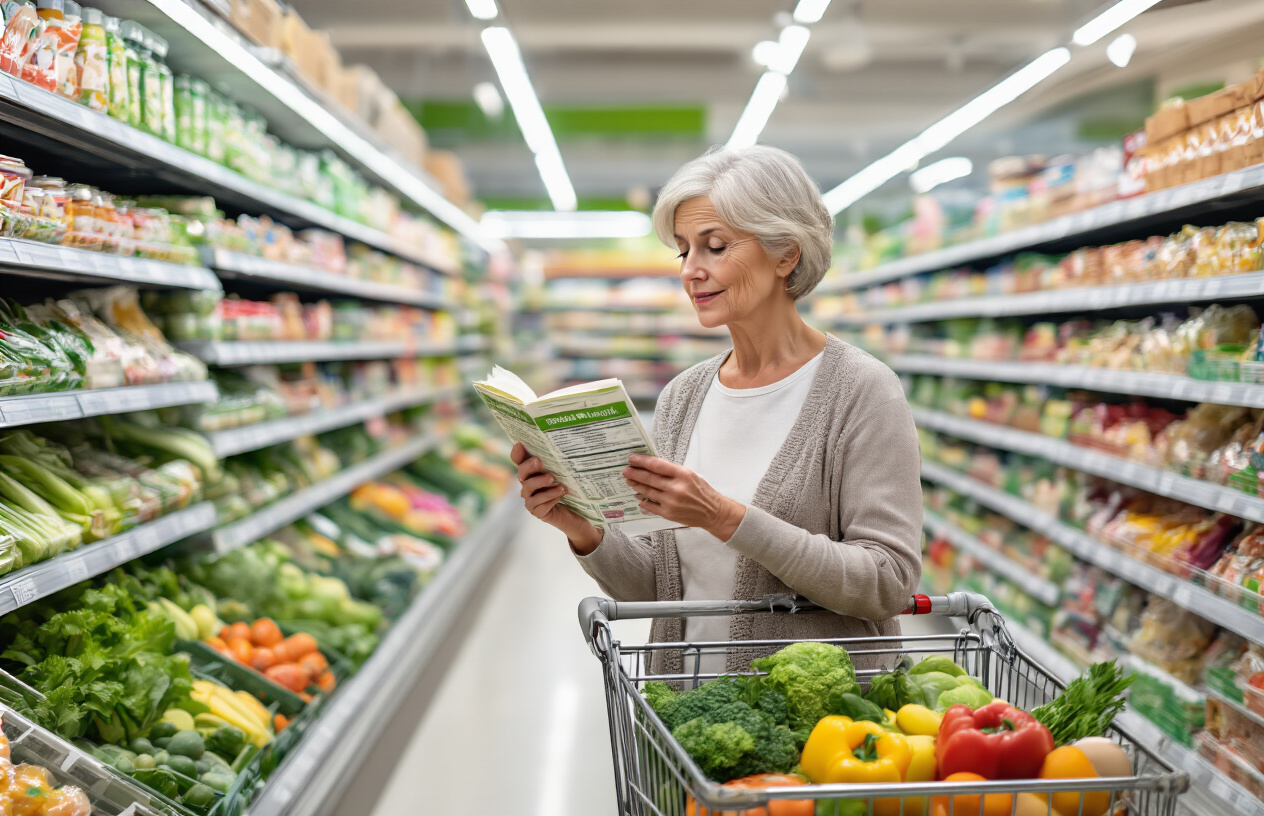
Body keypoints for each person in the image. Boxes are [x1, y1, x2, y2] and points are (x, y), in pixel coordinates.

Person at [511, 145, 923, 675]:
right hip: (690, 720)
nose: (692, 271)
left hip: (815, 735)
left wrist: (724, 516)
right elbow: (663, 588)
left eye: (715, 247)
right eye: (685, 251)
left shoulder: (862, 392)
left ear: (785, 254)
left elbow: (886, 581)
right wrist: (584, 529)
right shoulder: (683, 397)